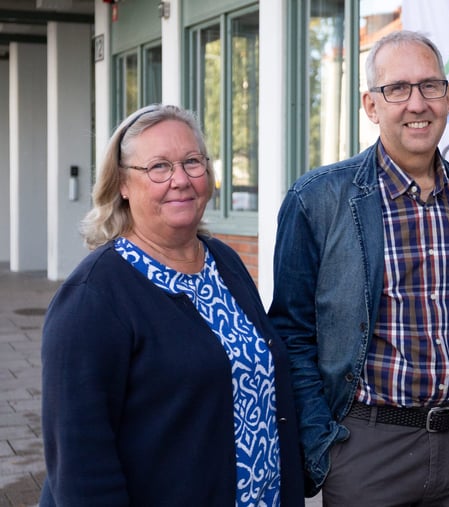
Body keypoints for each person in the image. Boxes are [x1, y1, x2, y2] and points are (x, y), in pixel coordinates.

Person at [268, 30, 449, 506]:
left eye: (430, 86)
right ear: (371, 105)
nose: (417, 103)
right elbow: (291, 333)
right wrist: (324, 446)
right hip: (366, 451)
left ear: (448, 96)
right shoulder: (317, 200)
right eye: (398, 89)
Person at [39, 104, 304, 506]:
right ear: (122, 184)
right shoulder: (93, 297)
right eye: (158, 167)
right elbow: (79, 463)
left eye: (192, 162)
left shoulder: (224, 262)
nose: (180, 180)